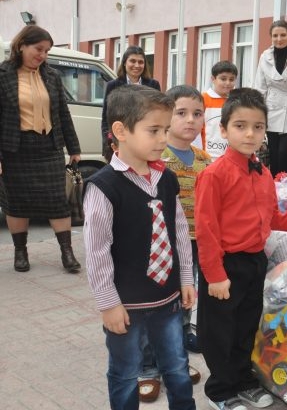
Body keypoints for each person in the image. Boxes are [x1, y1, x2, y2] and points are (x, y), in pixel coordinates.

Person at [194, 88, 287, 410]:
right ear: (223, 129)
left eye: (257, 126)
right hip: (224, 265)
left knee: (247, 325)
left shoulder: (261, 173)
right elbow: (206, 231)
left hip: (254, 261)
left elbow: (274, 217)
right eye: (240, 125)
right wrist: (215, 276)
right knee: (219, 331)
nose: (250, 133)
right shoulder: (213, 175)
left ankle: (243, 379)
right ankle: (220, 391)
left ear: (265, 129)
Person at [84, 85, 196, 410]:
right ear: (120, 130)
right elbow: (96, 252)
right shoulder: (104, 187)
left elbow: (179, 231)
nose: (163, 138)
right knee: (125, 372)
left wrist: (186, 278)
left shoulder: (166, 178)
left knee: (176, 366)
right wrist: (108, 304)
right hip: (126, 305)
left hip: (169, 300)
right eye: (154, 130)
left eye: (165, 129)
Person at [138, 85, 208, 403]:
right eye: (181, 113)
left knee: (184, 304)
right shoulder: (156, 156)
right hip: (158, 247)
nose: (190, 120)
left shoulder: (206, 159)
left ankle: (174, 363)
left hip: (193, 244)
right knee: (155, 307)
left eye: (197, 114)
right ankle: (148, 369)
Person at [0, 25, 81, 273]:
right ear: (21, 45)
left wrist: (74, 146)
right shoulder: (3, 75)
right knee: (17, 203)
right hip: (16, 150)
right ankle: (20, 252)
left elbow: (63, 113)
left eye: (46, 51)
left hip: (49, 148)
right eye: (38, 49)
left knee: (57, 201)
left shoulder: (52, 76)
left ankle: (67, 252)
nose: (43, 55)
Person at [254, 20, 287, 176]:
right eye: (275, 35)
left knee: (286, 153)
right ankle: (274, 190)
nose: (279, 39)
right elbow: (260, 87)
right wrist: (258, 115)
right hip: (272, 109)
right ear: (271, 37)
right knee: (272, 156)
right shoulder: (265, 57)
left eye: (283, 35)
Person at [101, 45, 161, 157]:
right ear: (124, 63)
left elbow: (158, 115)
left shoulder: (153, 85)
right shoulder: (113, 85)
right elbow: (106, 117)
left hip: (145, 140)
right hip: (120, 141)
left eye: (140, 62)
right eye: (132, 61)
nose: (137, 65)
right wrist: (108, 142)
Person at [201, 60, 238, 160]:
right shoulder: (203, 99)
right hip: (208, 155)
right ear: (213, 79)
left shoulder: (236, 101)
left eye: (231, 79)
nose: (227, 83)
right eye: (223, 79)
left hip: (230, 155)